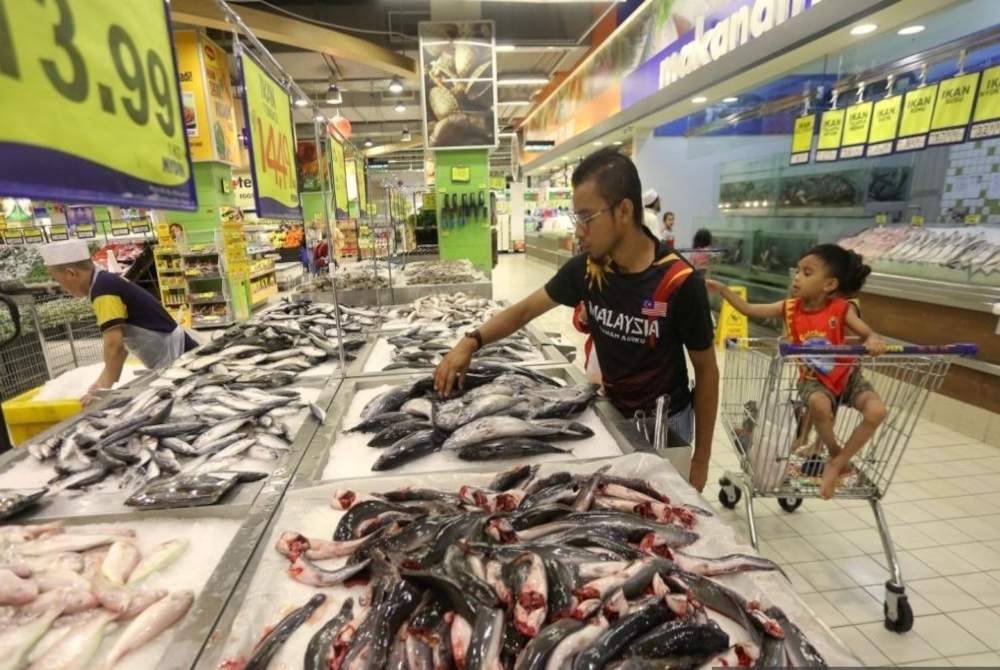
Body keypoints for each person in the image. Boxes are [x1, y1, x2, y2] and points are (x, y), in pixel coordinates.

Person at [435, 149, 719, 491]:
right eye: (576, 218)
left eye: (587, 218)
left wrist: (701, 459)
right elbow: (524, 311)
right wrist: (471, 341)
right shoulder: (589, 270)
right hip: (612, 415)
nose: (579, 231)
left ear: (624, 211)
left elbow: (706, 371)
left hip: (666, 425)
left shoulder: (678, 282)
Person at [706, 244, 888, 499]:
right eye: (798, 271)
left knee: (877, 411)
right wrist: (724, 291)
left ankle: (837, 461)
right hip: (813, 381)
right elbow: (750, 310)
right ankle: (836, 453)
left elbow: (868, 332)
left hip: (847, 376)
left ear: (829, 284)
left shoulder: (841, 309)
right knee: (819, 405)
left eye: (807, 272)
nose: (797, 277)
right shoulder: (789, 308)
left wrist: (872, 340)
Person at [39, 239, 197, 405]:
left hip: (179, 357)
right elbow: (120, 350)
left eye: (58, 280)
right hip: (175, 354)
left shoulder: (103, 292)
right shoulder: (105, 281)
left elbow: (114, 346)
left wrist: (103, 389)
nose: (61, 287)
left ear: (71, 273)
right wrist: (101, 384)